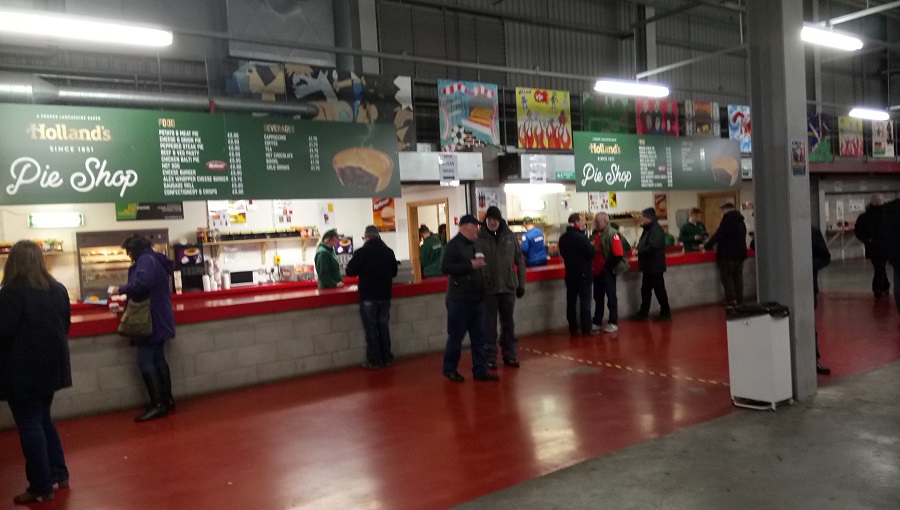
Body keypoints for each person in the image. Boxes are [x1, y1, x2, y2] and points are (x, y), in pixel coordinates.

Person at [0, 241, 72, 504]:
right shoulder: (57, 289)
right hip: (52, 368)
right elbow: (65, 325)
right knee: (43, 419)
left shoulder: (10, 293)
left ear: (13, 262)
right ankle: (58, 473)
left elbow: (3, 331)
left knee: (30, 424)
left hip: (22, 370)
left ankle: (41, 486)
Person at [111, 235, 176, 422]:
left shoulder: (146, 260)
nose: (128, 255)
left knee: (145, 361)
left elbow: (142, 284)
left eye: (129, 251)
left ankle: (158, 405)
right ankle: (167, 400)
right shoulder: (155, 258)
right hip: (160, 316)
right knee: (158, 359)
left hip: (150, 318)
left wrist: (120, 290)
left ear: (134, 250)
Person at [441, 215, 499, 382]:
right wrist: (470, 265)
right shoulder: (453, 246)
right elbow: (445, 267)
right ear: (465, 226)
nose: (478, 229)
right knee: (456, 337)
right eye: (475, 226)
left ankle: (480, 370)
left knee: (479, 338)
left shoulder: (473, 244)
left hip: (476, 299)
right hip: (459, 300)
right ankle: (450, 369)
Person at [476, 206, 526, 369]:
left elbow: (520, 262)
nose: (492, 222)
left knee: (508, 325)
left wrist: (521, 284)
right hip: (488, 289)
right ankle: (490, 357)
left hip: (508, 287)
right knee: (488, 326)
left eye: (494, 219)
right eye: (489, 219)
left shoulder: (510, 236)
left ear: (499, 220)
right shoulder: (479, 238)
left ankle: (510, 355)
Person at [345, 226, 399, 370]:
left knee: (371, 329)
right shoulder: (388, 251)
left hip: (368, 296)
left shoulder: (361, 252)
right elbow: (394, 272)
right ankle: (387, 358)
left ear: (366, 237)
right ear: (378, 236)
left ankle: (374, 361)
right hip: (385, 295)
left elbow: (349, 271)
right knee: (383, 326)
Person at [558, 213, 597, 335]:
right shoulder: (581, 237)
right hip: (583, 273)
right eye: (582, 220)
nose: (584, 222)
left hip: (570, 273)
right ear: (576, 222)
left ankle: (573, 327)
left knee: (571, 302)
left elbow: (563, 254)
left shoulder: (563, 238)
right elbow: (591, 253)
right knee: (585, 302)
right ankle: (586, 328)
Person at [591, 213, 629, 333]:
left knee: (611, 297)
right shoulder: (595, 235)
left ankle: (613, 322)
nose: (596, 224)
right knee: (598, 298)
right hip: (597, 271)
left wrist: (607, 267)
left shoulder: (613, 234)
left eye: (598, 222)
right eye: (595, 222)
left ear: (605, 222)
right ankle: (597, 321)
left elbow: (618, 254)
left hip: (607, 271)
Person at [705, 203, 748, 306]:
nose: (722, 213)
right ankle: (740, 300)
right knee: (738, 277)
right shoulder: (740, 220)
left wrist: (707, 246)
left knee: (726, 277)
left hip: (728, 255)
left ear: (726, 210)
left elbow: (719, 235)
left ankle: (732, 300)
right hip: (741, 254)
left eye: (722, 211)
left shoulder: (727, 220)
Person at [635, 208, 672, 321]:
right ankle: (644, 312)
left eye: (642, 217)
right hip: (649, 266)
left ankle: (665, 312)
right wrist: (638, 248)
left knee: (659, 290)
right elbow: (644, 243)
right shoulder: (648, 229)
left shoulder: (656, 230)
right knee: (646, 290)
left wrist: (640, 252)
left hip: (655, 266)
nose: (641, 219)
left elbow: (653, 246)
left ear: (649, 217)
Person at [854, 194, 890, 297]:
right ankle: (879, 287)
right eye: (877, 200)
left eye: (880, 200)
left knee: (880, 267)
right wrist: (867, 240)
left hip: (884, 246)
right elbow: (858, 231)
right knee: (880, 267)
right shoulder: (865, 217)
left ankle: (884, 286)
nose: (879, 202)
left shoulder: (886, 214)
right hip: (874, 247)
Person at [812, 225, 832, 375]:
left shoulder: (811, 231)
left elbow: (825, 257)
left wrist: (809, 266)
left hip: (807, 287)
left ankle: (813, 360)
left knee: (808, 325)